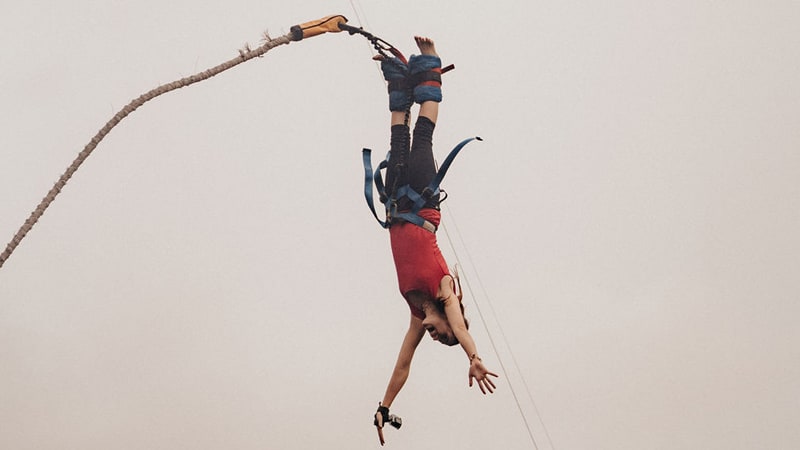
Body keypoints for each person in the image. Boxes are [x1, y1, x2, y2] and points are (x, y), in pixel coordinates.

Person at [372, 36, 498, 444]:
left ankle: (397, 78)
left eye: (435, 338)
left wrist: (384, 406)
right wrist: (474, 357)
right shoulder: (445, 293)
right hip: (422, 202)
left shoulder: (414, 312)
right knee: (422, 136)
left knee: (397, 137)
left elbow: (403, 365)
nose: (435, 335)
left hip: (395, 203)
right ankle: (429, 66)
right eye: (442, 334)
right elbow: (461, 328)